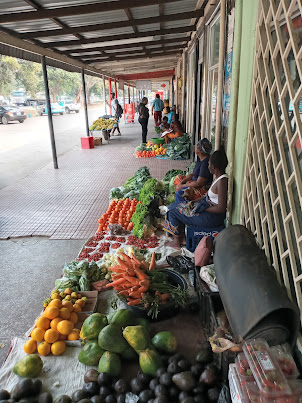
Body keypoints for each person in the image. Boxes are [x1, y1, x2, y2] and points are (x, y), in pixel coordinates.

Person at [163, 147, 228, 249]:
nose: (208, 166)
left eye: (209, 164)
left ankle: (176, 242)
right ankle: (182, 238)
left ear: (214, 166)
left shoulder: (222, 181)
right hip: (208, 212)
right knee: (175, 206)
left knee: (172, 211)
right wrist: (193, 202)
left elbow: (221, 208)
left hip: (211, 218)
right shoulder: (219, 179)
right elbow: (206, 196)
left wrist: (202, 208)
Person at [174, 138, 213, 203]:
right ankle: (181, 200)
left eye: (196, 146)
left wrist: (183, 186)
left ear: (199, 151)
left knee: (179, 193)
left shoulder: (205, 164)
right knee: (178, 178)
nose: (194, 147)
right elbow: (192, 174)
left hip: (201, 188)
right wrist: (182, 182)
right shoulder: (200, 158)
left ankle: (182, 209)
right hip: (194, 182)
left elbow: (199, 183)